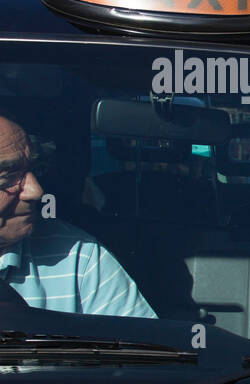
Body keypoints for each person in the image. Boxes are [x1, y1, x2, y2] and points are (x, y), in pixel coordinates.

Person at [0, 114, 155, 319]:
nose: (36, 191)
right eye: (8, 177)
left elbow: (141, 348)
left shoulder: (78, 257)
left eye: (33, 170)